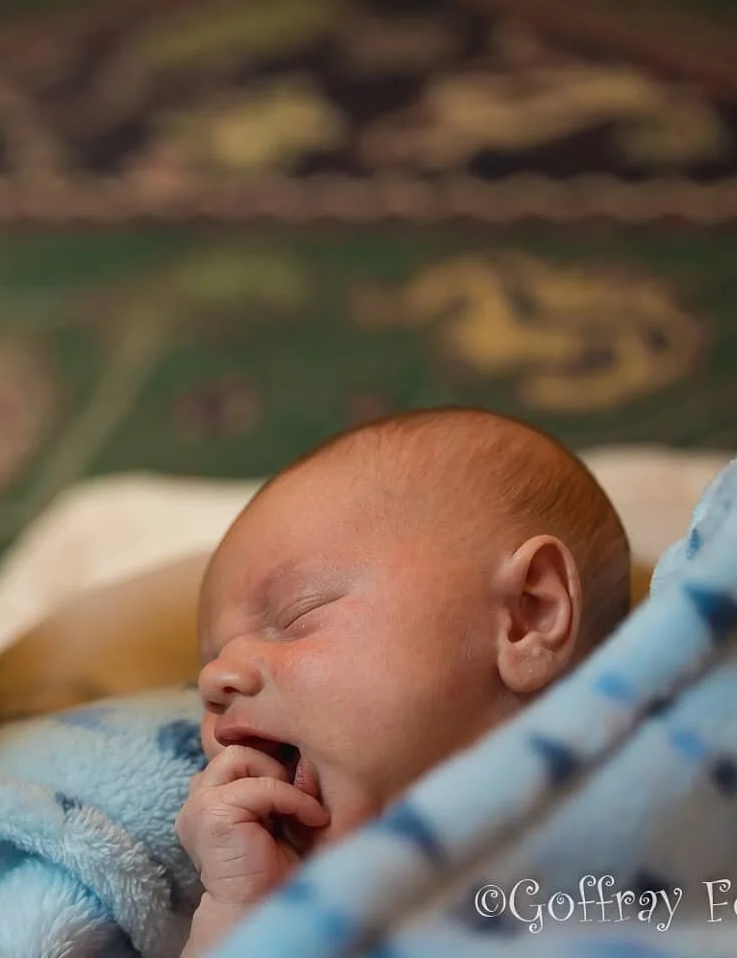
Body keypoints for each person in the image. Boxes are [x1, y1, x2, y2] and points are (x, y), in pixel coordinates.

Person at [175, 408, 632, 956]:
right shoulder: (310, 907)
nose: (215, 678)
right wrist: (243, 912)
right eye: (212, 658)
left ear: (527, 616)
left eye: (300, 610)